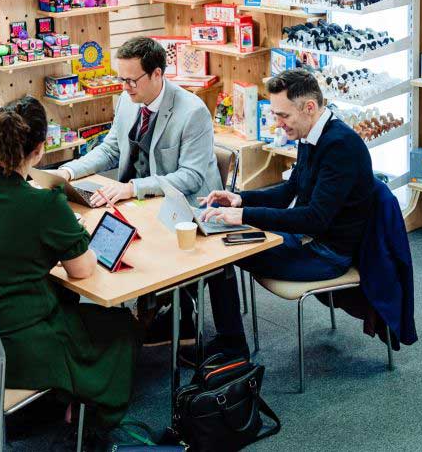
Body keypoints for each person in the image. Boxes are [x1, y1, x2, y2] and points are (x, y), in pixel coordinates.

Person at [0, 96, 140, 441]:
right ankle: (82, 411)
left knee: (64, 304)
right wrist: (72, 236)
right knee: (120, 327)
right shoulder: (44, 204)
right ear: (41, 149)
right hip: (10, 349)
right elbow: (83, 271)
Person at [196, 68, 379, 360]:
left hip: (325, 255)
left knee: (220, 253)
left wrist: (245, 216)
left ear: (309, 107)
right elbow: (288, 191)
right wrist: (238, 200)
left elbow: (313, 219)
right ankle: (224, 337)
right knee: (219, 233)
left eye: (283, 116)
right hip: (306, 240)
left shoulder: (340, 147)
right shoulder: (312, 133)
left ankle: (231, 345)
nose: (278, 124)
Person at [56, 36, 222, 205]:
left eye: (131, 81)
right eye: (122, 79)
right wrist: (69, 171)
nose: (125, 87)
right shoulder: (127, 99)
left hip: (188, 207)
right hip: (138, 200)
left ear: (157, 74)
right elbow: (110, 150)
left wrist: (132, 188)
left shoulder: (193, 112)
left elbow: (190, 177)